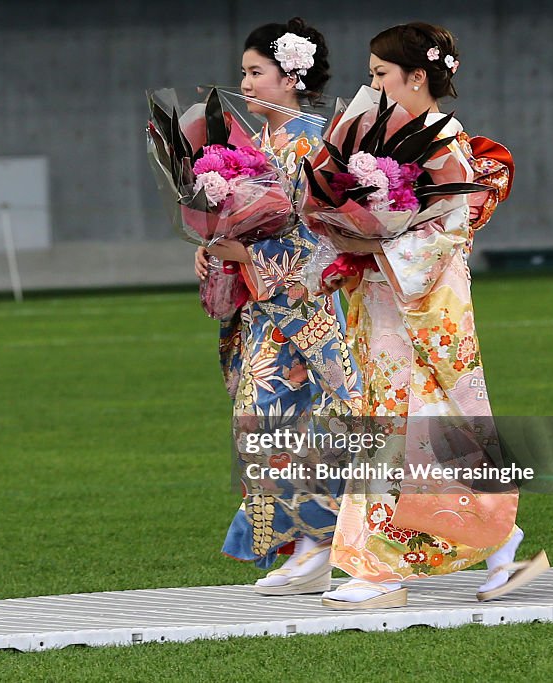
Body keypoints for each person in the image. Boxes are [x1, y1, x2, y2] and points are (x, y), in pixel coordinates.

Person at [316, 22, 547, 609]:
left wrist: (374, 245)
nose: (371, 86)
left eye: (380, 74)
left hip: (421, 300)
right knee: (422, 424)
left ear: (417, 76)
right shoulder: (386, 137)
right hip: (389, 297)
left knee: (414, 423)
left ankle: (383, 569)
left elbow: (448, 229)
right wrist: (354, 237)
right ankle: (501, 543)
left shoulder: (442, 140)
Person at [194, 17, 363, 595]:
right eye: (243, 72)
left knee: (325, 425)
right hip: (269, 307)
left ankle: (326, 543)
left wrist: (242, 250)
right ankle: (305, 545)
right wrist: (217, 251)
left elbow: (324, 234)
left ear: (291, 76)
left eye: (255, 72)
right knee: (263, 424)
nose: (244, 83)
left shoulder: (319, 139)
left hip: (313, 305)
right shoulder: (261, 145)